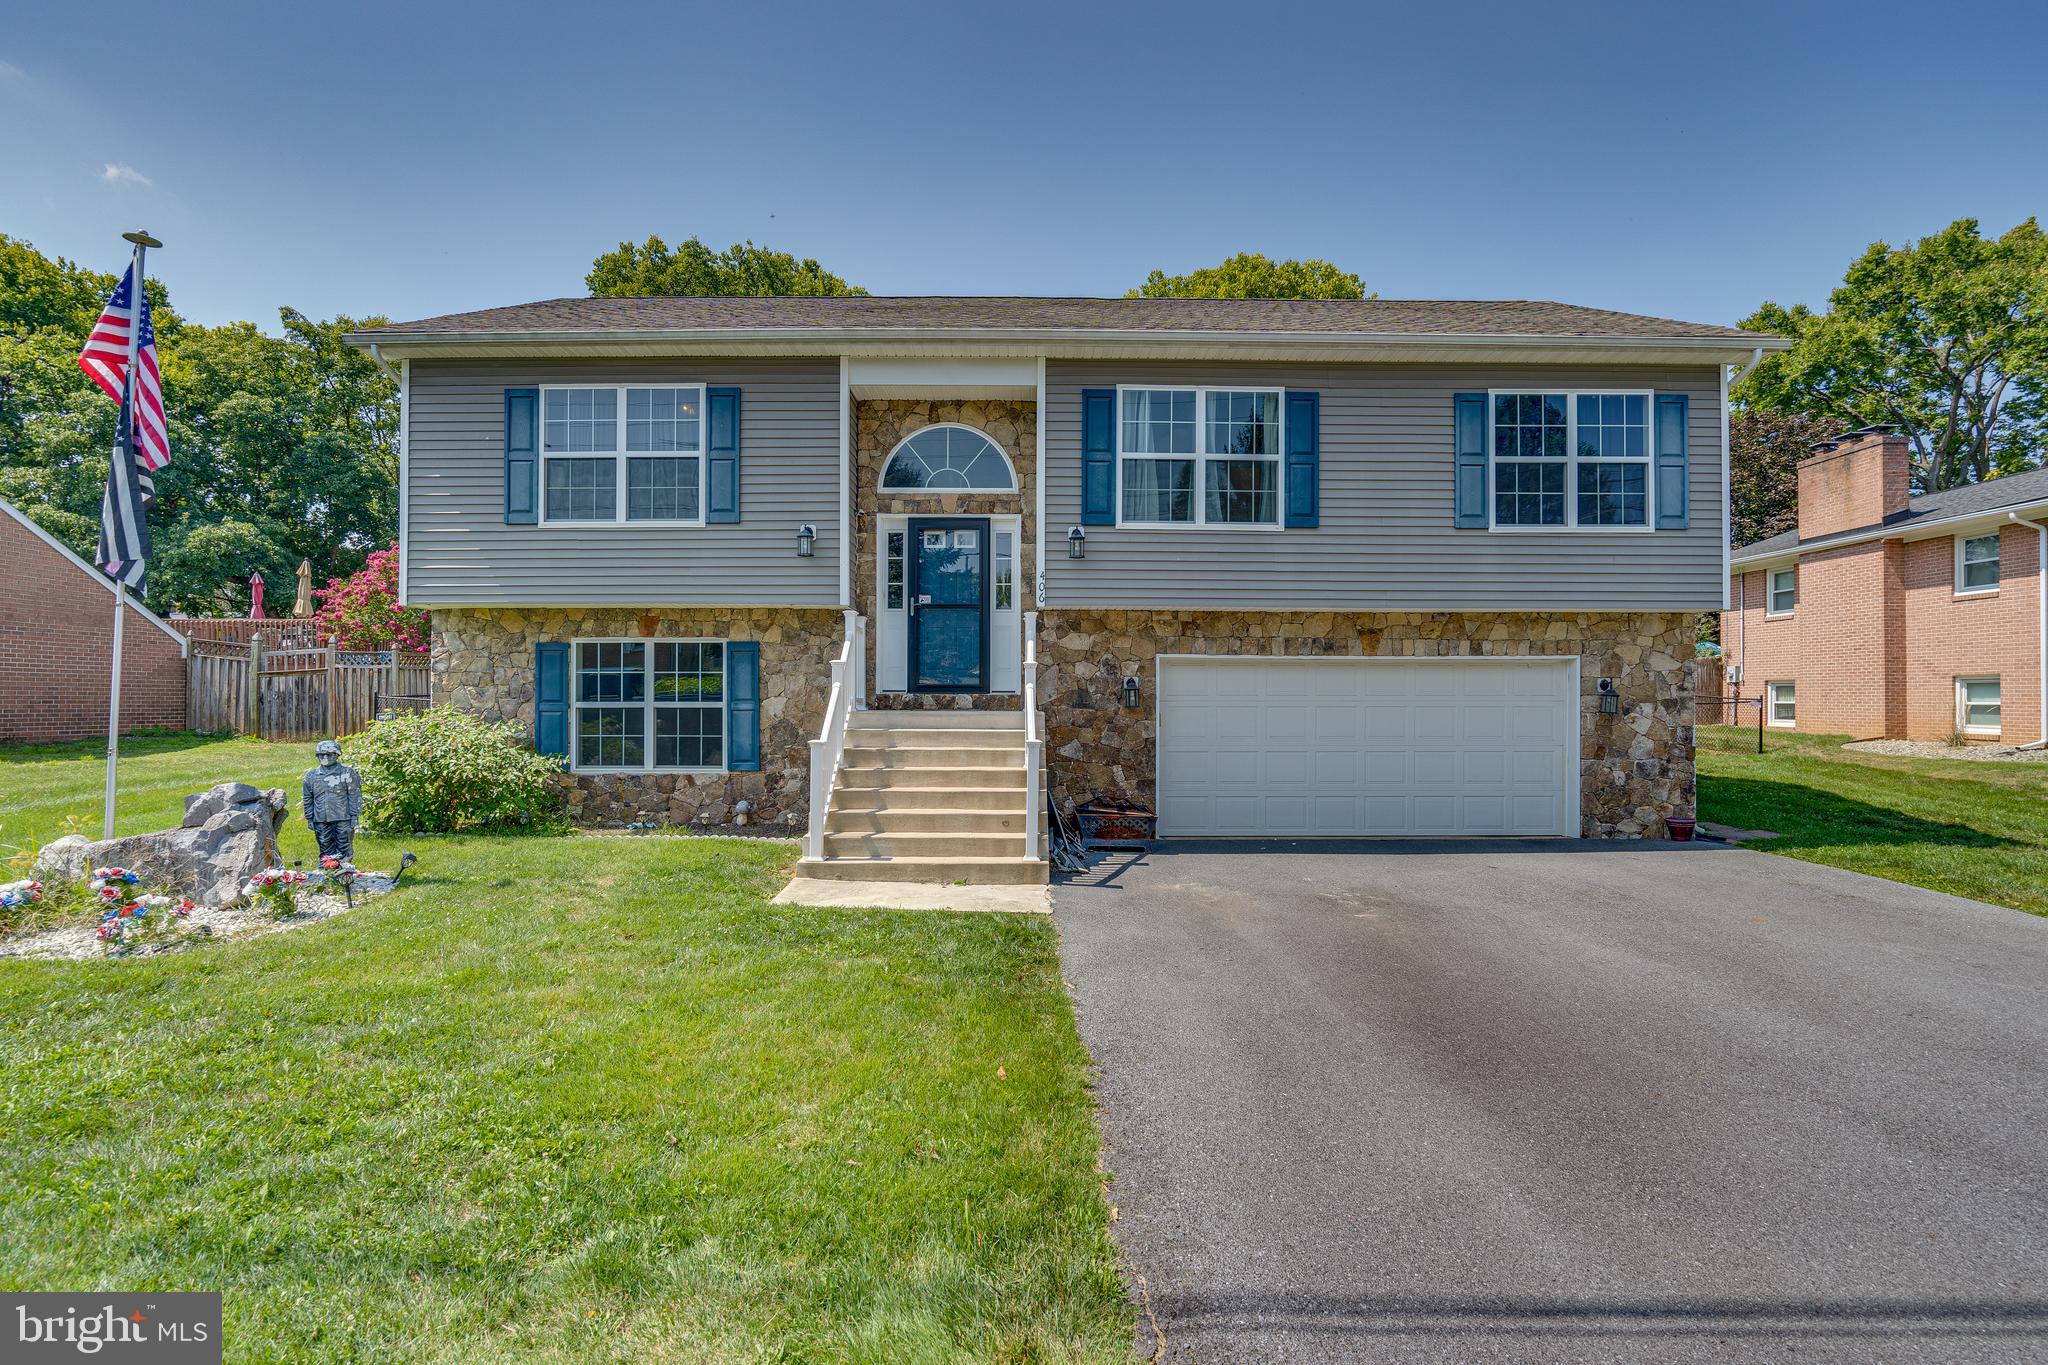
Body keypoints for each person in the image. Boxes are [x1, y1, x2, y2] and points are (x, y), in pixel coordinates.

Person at [302, 739, 363, 861]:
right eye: (321, 755)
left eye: (328, 754)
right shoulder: (311, 776)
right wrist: (309, 818)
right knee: (324, 844)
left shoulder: (347, 773)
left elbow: (354, 795)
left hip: (343, 817)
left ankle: (344, 871)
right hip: (321, 818)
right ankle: (328, 870)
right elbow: (308, 798)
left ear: (336, 755)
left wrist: (354, 816)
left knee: (344, 844)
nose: (325, 757)